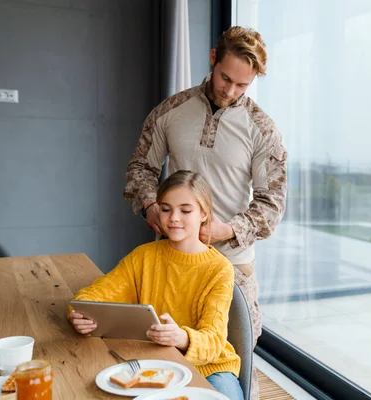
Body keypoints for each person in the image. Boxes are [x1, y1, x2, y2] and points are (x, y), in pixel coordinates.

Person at [123, 26, 287, 399]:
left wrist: (226, 229)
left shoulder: (263, 130)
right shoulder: (170, 111)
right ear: (213, 59)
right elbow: (140, 169)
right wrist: (151, 206)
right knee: (168, 354)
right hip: (173, 260)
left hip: (232, 266)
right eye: (226, 78)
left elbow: (272, 204)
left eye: (242, 86)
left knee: (233, 368)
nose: (230, 91)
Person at [69, 170, 244, 400]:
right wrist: (81, 314)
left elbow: (213, 340)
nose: (173, 218)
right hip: (154, 362)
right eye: (166, 208)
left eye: (185, 210)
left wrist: (181, 337)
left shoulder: (220, 269)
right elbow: (94, 294)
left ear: (204, 214)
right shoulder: (144, 256)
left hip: (210, 368)